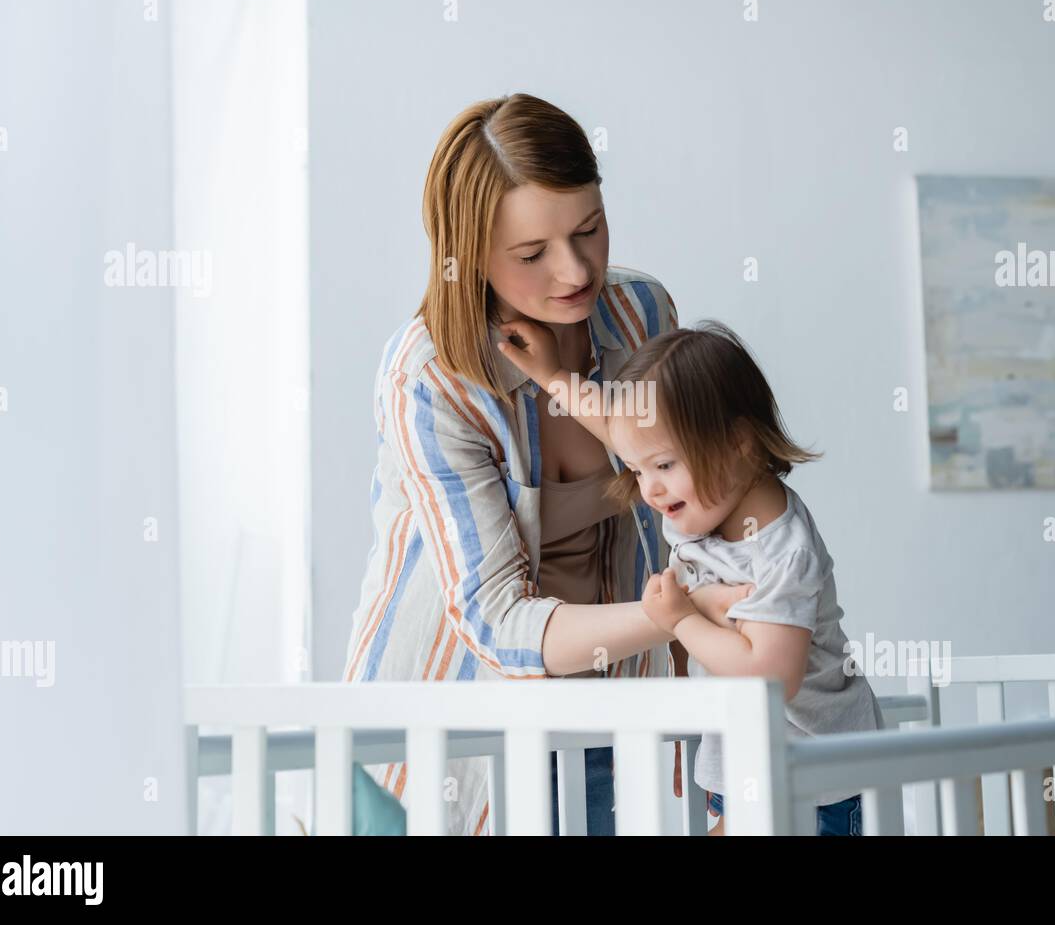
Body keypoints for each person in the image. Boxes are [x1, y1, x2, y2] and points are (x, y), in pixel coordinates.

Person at [343, 93, 751, 835]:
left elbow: (690, 517)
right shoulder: (431, 377)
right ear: (466, 255)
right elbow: (496, 620)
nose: (574, 269)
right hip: (442, 733)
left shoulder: (642, 315)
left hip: (598, 718)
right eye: (532, 254)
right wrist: (669, 619)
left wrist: (712, 739)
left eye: (589, 229)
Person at [497, 318, 883, 835]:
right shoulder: (702, 499)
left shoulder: (779, 551)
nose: (650, 490)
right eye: (638, 471)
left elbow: (771, 678)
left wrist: (680, 618)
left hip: (811, 778)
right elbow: (616, 427)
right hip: (744, 768)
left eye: (663, 466)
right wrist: (553, 375)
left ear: (741, 446)